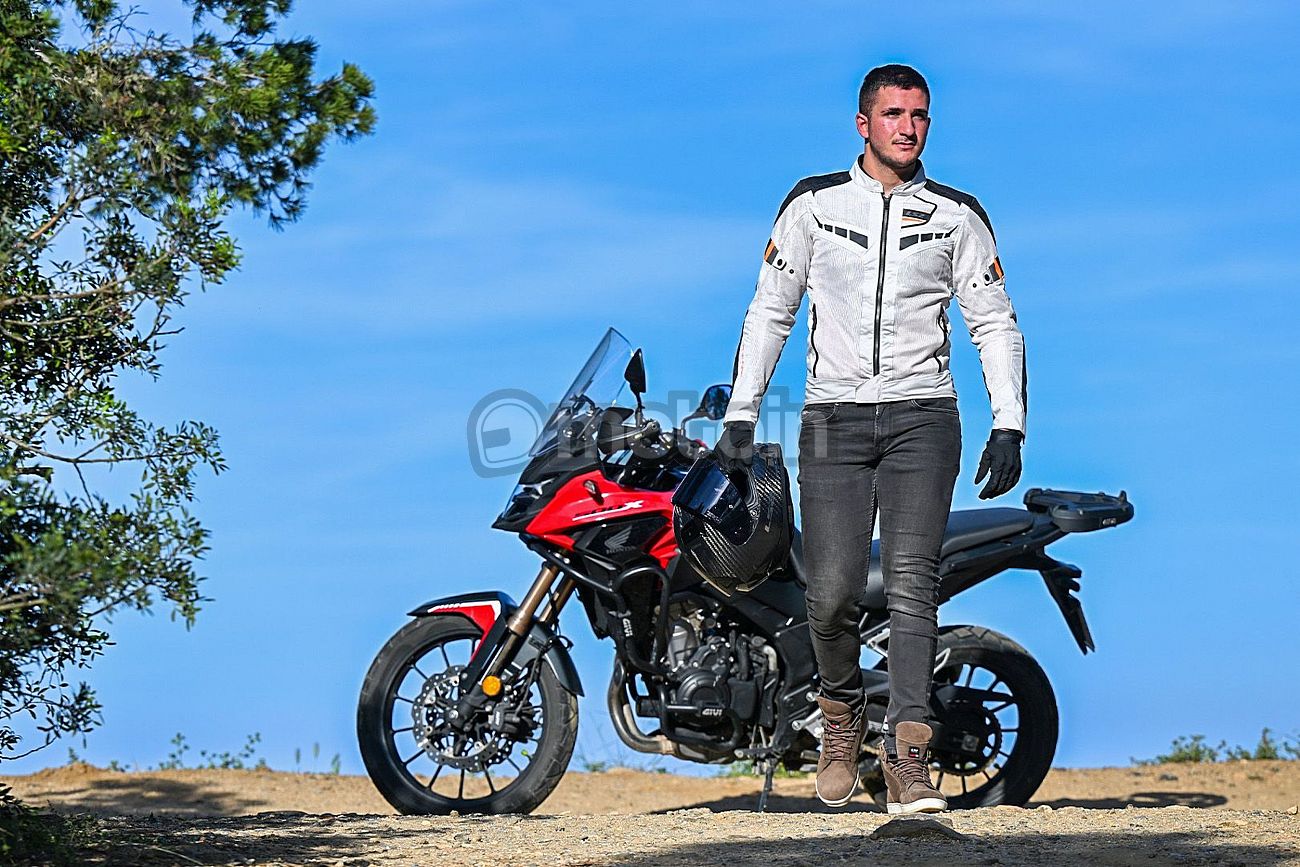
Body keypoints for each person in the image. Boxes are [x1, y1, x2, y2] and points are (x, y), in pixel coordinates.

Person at [716, 64, 1027, 813]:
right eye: (893, 114)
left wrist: (1009, 421)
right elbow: (770, 311)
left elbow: (993, 321)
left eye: (919, 116)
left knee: (915, 585)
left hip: (925, 416)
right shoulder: (813, 205)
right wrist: (741, 415)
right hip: (834, 419)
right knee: (830, 594)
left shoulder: (956, 216)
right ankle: (840, 717)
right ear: (864, 124)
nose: (908, 128)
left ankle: (908, 756)